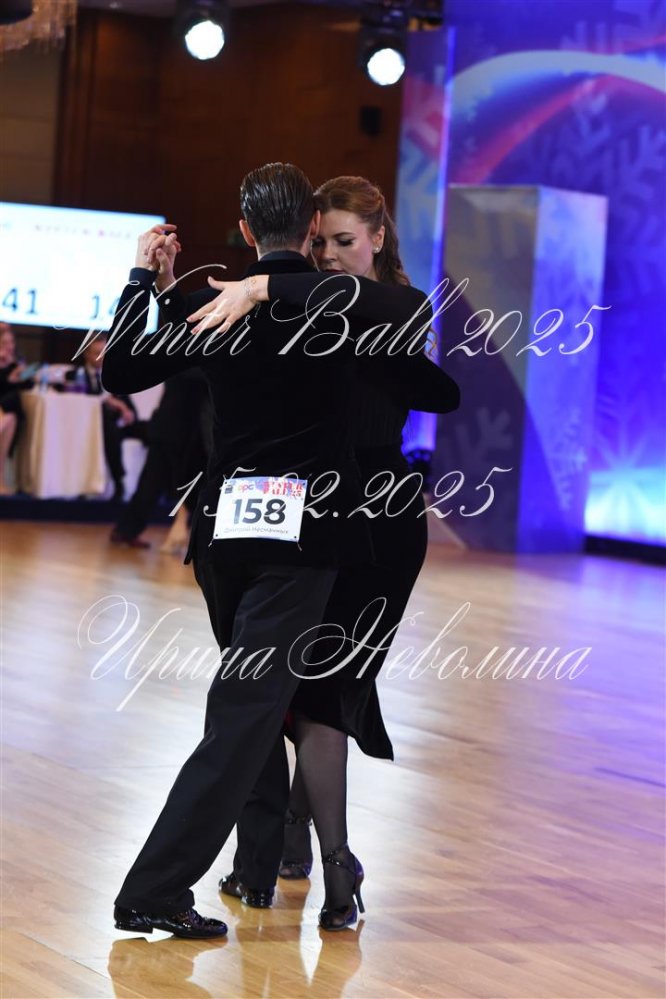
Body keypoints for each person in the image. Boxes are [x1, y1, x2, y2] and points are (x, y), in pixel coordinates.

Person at [102, 162, 452, 940]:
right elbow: (408, 310)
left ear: (246, 229)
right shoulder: (334, 310)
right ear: (311, 230)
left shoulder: (217, 306)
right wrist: (267, 287)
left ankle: (255, 865)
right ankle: (155, 887)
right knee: (246, 713)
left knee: (251, 708)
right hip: (301, 543)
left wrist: (143, 280)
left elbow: (120, 368)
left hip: (225, 539)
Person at [110, 367, 211, 549]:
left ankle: (127, 530)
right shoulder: (194, 367)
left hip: (173, 430)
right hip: (178, 433)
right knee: (159, 483)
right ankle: (130, 530)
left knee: (153, 483)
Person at [67, 335, 147, 502]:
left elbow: (129, 406)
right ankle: (118, 481)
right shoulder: (76, 375)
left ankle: (162, 487)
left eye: (104, 352)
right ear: (86, 354)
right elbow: (78, 400)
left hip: (122, 424)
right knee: (111, 431)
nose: (101, 357)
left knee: (157, 430)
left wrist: (128, 412)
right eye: (97, 353)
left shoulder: (115, 375)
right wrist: (106, 400)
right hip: (94, 427)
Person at [0, 322, 32, 494]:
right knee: (10, 416)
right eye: (5, 343)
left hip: (8, 413)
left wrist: (20, 373)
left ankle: (1, 479)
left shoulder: (16, 363)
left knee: (11, 416)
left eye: (11, 342)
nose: (9, 346)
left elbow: (28, 384)